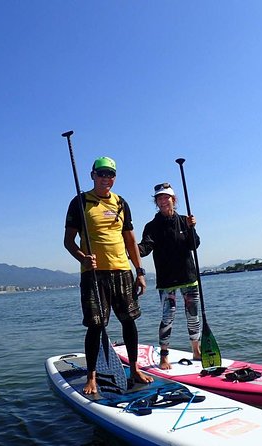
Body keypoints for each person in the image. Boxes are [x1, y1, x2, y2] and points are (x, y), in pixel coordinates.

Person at [64, 156, 154, 394]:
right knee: (95, 325)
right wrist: (82, 257)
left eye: (110, 174)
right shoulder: (80, 202)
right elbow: (68, 241)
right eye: (102, 173)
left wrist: (140, 272)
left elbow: (131, 240)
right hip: (93, 274)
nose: (106, 178)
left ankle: (134, 368)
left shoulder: (121, 203)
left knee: (129, 321)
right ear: (92, 175)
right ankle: (91, 376)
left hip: (122, 271)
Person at [138, 182, 201, 370]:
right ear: (156, 202)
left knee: (193, 316)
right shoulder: (152, 226)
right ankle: (164, 356)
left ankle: (196, 350)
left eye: (166, 197)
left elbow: (194, 245)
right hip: (167, 281)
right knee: (168, 318)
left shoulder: (184, 220)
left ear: (173, 200)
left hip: (189, 276)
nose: (163, 201)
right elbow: (145, 248)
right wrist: (129, 246)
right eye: (159, 198)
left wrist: (192, 228)